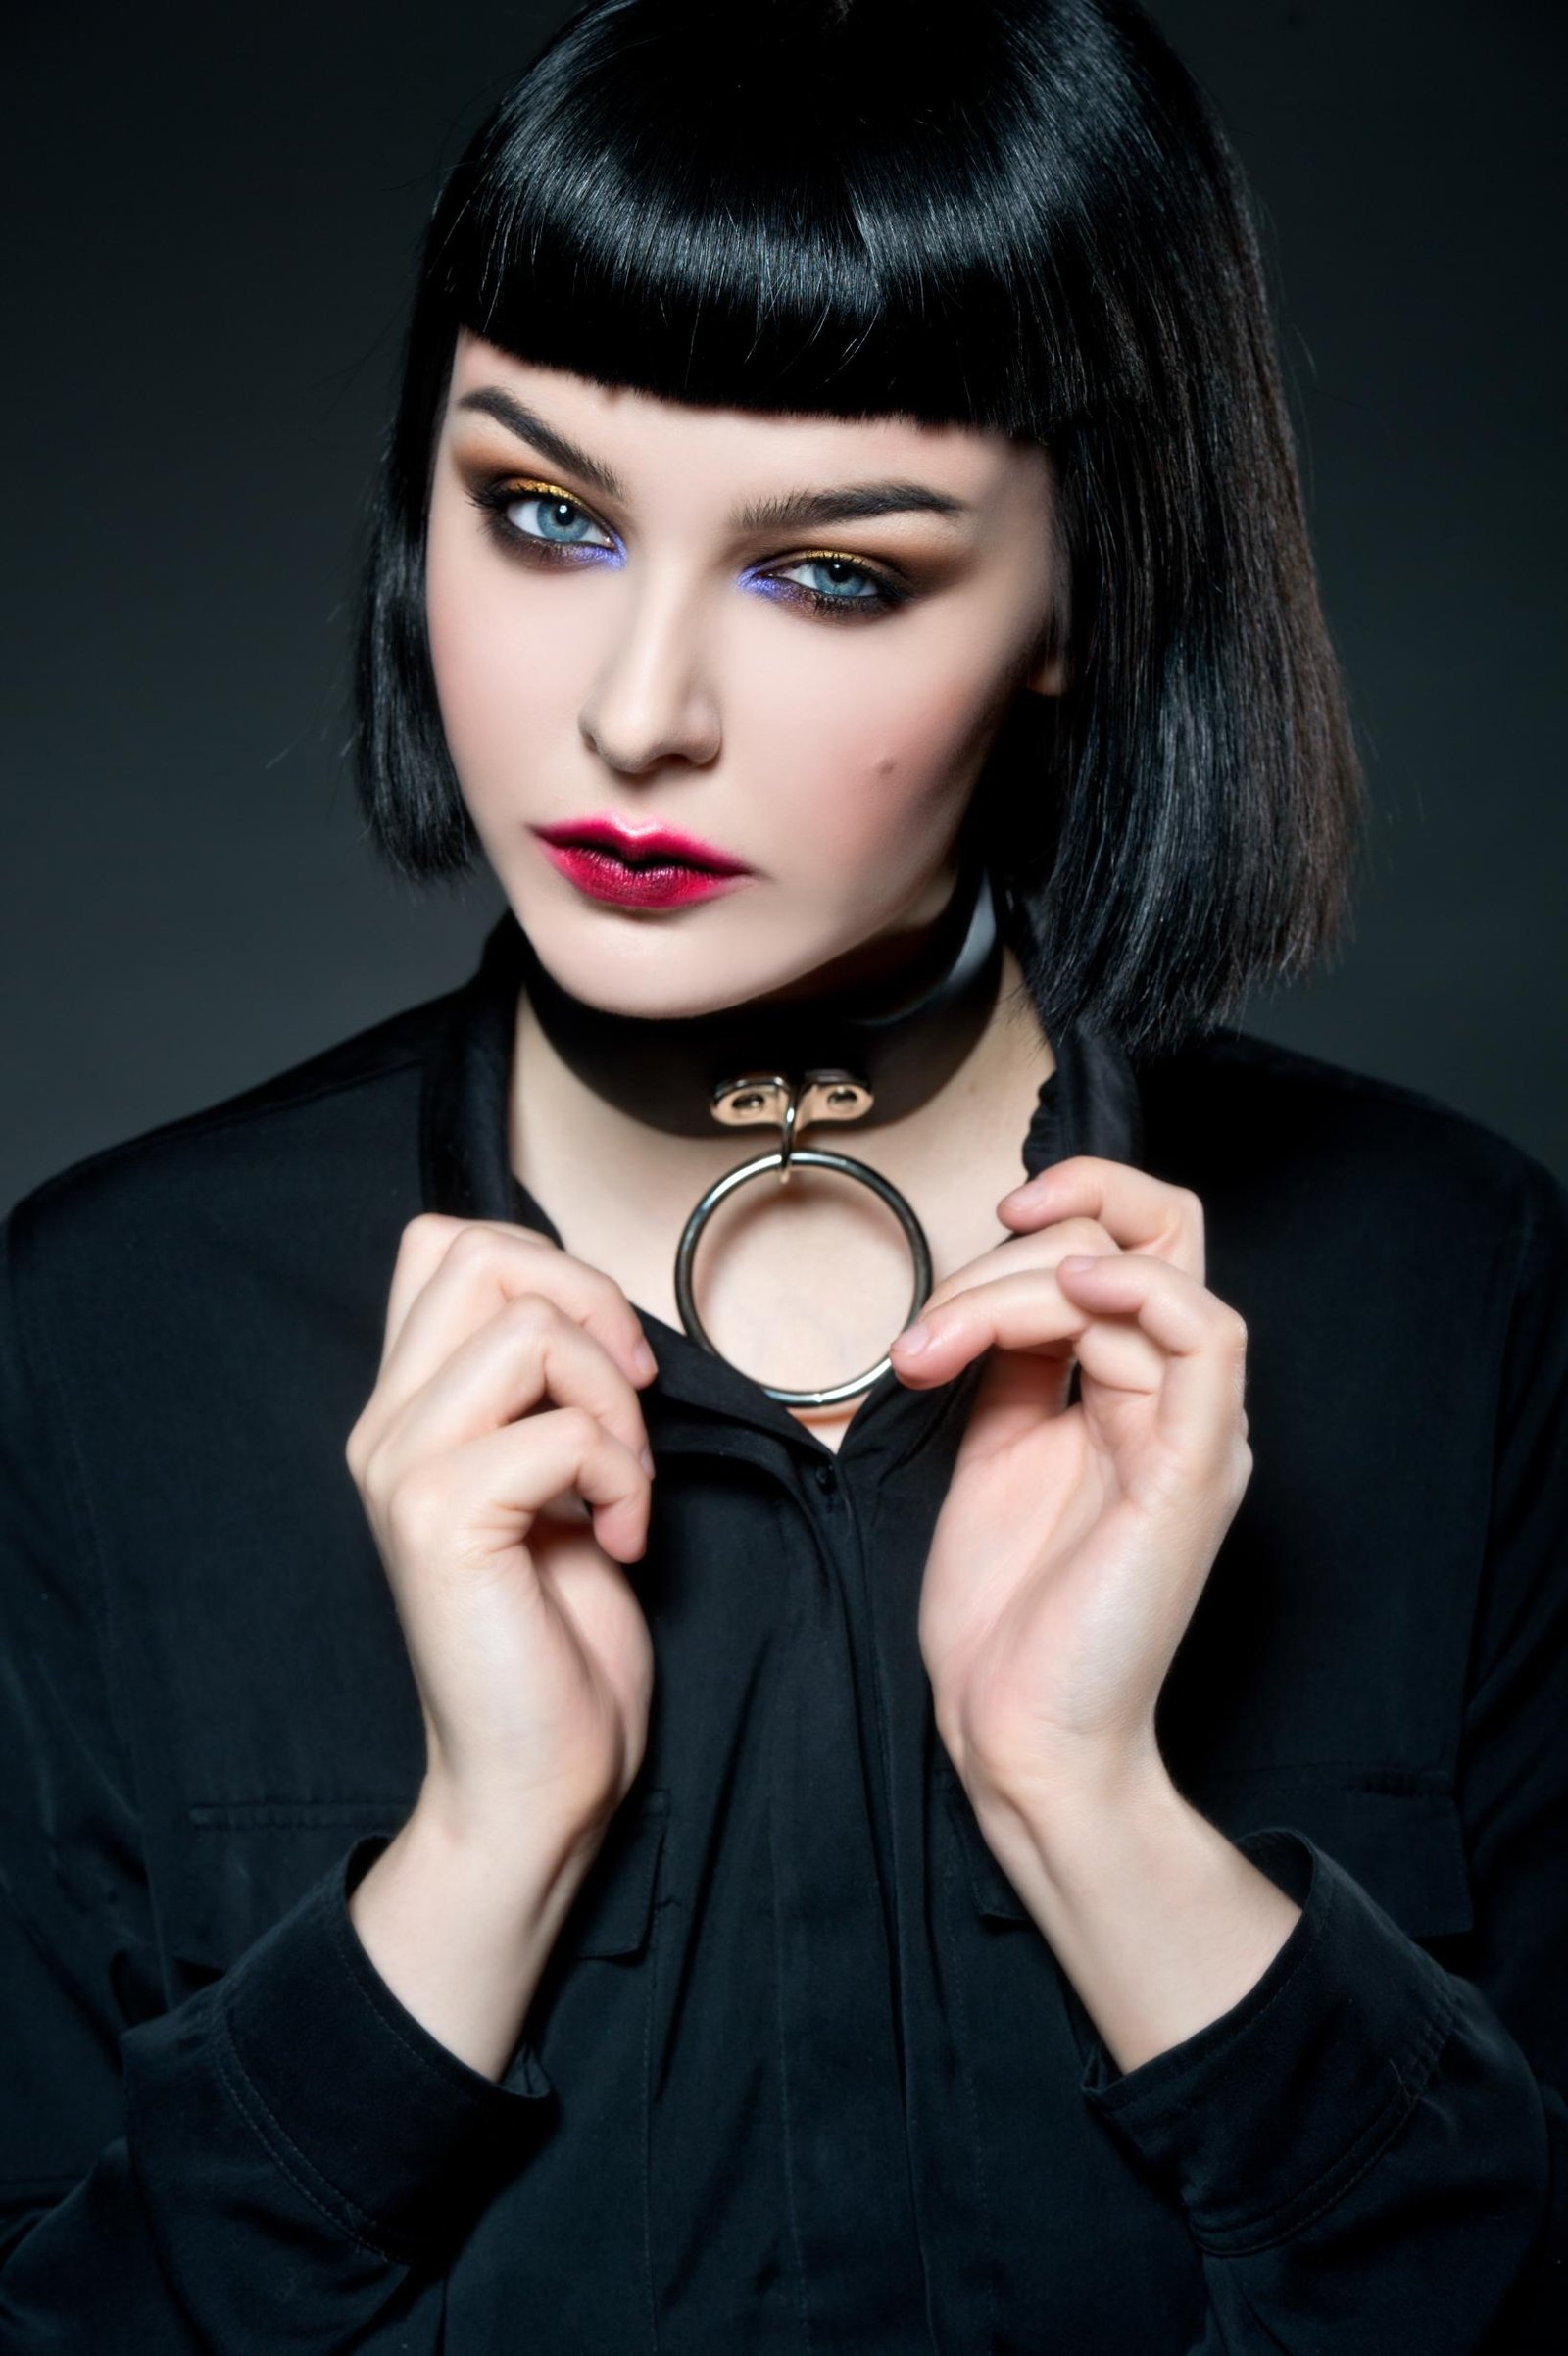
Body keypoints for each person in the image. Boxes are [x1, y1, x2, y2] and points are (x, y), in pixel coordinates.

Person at [0, 0, 1561, 2346]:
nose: (632, 710)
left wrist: (1093, 1810)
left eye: (828, 571)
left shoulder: (1449, 1289)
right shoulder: (108, 1331)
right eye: (540, 513)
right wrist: (470, 1866)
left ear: (1084, 601)